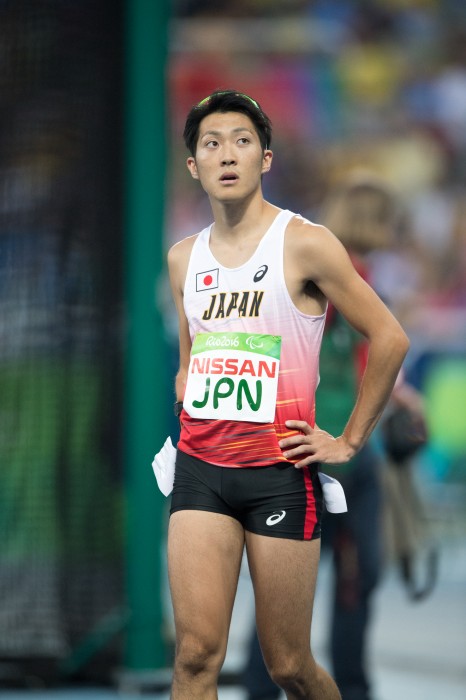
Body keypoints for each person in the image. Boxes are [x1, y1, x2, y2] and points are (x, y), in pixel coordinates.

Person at [166, 90, 410, 700]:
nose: (227, 154)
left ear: (266, 159)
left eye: (242, 142)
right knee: (197, 656)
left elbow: (389, 338)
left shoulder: (305, 243)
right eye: (211, 143)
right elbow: (188, 359)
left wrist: (350, 439)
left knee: (289, 666)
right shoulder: (182, 258)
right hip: (201, 470)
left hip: (281, 470)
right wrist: (188, 407)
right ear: (193, 165)